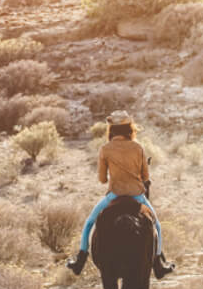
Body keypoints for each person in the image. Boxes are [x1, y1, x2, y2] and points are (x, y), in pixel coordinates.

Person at [67, 111, 174, 279]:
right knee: (157, 226)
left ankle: (80, 261)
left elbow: (102, 179)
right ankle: (159, 264)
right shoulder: (138, 147)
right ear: (129, 128)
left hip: (114, 195)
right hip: (137, 195)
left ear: (112, 129)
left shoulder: (105, 149)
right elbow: (146, 177)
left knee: (88, 223)